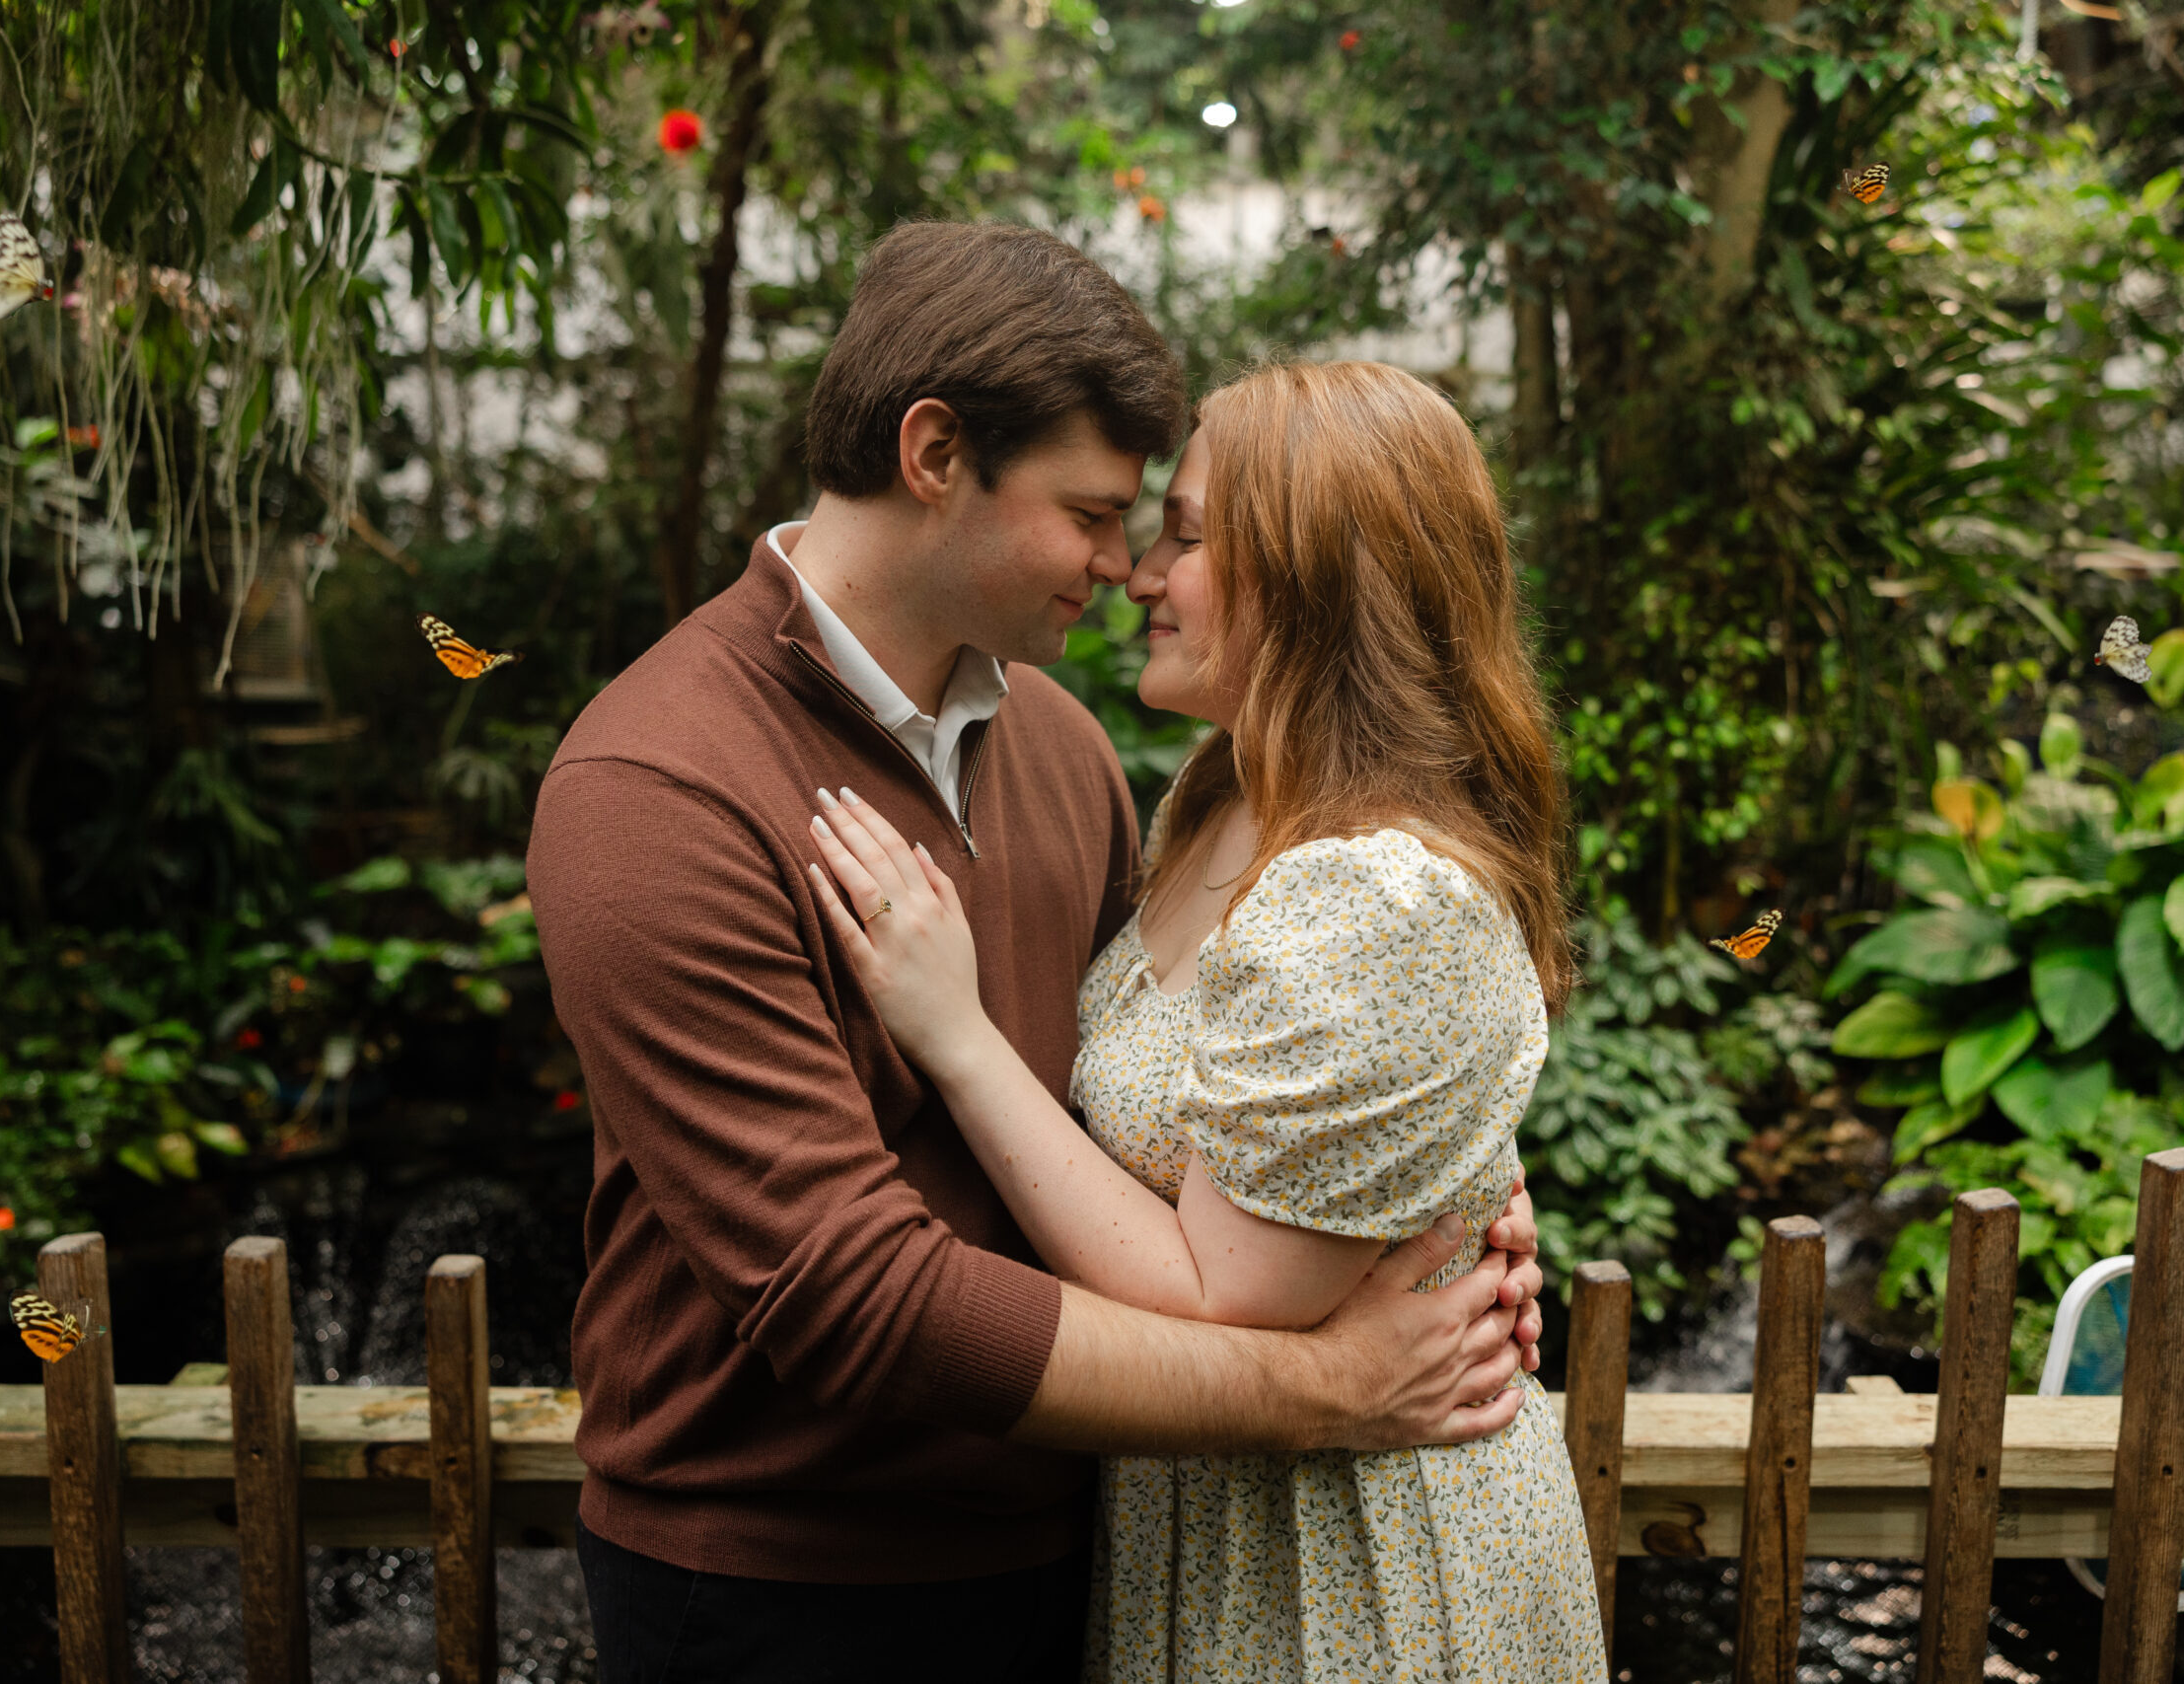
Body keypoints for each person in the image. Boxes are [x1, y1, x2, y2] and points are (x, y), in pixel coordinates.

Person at [526, 224, 1546, 1684]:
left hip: (1083, 1545)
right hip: (788, 1581)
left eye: (1156, 526)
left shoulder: (1062, 749)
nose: (1124, 566)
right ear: (935, 452)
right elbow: (850, 1298)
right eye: (1093, 513)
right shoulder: (660, 786)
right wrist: (1318, 1385)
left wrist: (1431, 1204)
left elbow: (1185, 1106)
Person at [802, 359, 1606, 1681]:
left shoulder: (1379, 895)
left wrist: (952, 1035)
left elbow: (1211, 1292)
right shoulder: (1223, 799)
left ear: (1310, 578)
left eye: (1183, 534)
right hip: (1207, 1512)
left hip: (1354, 1561)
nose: (1138, 571)